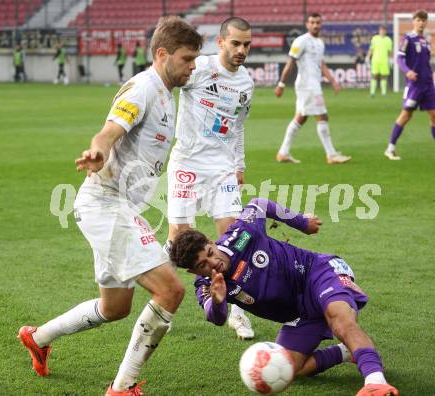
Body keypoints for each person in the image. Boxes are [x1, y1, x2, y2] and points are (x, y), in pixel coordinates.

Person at [18, 16, 203, 396]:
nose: (192, 66)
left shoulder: (167, 93)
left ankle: (38, 337)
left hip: (119, 208)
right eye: (186, 59)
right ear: (162, 54)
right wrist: (98, 150)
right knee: (170, 291)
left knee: (115, 307)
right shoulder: (143, 88)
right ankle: (123, 388)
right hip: (107, 204)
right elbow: (110, 129)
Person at [169, 198, 399, 396]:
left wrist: (302, 223)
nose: (213, 264)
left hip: (318, 273)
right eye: (202, 265)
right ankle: (347, 351)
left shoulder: (240, 235)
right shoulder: (206, 284)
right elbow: (216, 317)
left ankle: (375, 382)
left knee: (339, 319)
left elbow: (259, 204)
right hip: (301, 315)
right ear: (193, 271)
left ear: (211, 241)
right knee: (287, 370)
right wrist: (219, 301)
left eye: (210, 253)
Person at [165, 17, 255, 340]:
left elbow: (238, 125)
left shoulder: (246, 83)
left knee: (231, 242)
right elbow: (166, 85)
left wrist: (239, 164)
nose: (242, 50)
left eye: (247, 44)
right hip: (187, 163)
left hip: (222, 168)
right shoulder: (198, 69)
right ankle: (162, 300)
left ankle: (239, 313)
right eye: (235, 43)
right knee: (179, 243)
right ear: (221, 42)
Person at [274, 13, 351, 165]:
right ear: (307, 24)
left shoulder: (320, 43)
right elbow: (290, 62)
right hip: (307, 86)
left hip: (313, 85)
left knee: (300, 118)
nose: (315, 25)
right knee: (322, 117)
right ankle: (331, 155)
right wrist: (281, 84)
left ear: (321, 24)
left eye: (318, 22)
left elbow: (321, 64)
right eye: (312, 22)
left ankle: (283, 153)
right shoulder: (301, 41)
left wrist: (333, 81)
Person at [384, 10, 435, 161]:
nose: (421, 23)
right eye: (418, 20)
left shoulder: (426, 41)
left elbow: (426, 63)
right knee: (406, 115)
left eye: (424, 20)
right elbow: (399, 59)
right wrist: (407, 72)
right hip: (415, 86)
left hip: (428, 86)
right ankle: (390, 148)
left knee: (434, 115)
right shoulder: (407, 38)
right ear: (413, 21)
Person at [367, 25, 393, 97]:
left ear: (385, 31)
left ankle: (383, 93)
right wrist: (368, 57)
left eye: (384, 30)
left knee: (384, 76)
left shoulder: (388, 40)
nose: (382, 32)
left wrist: (391, 59)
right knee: (374, 76)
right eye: (381, 30)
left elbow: (390, 51)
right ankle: (372, 92)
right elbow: (371, 49)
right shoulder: (375, 39)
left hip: (384, 61)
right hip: (375, 60)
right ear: (379, 31)